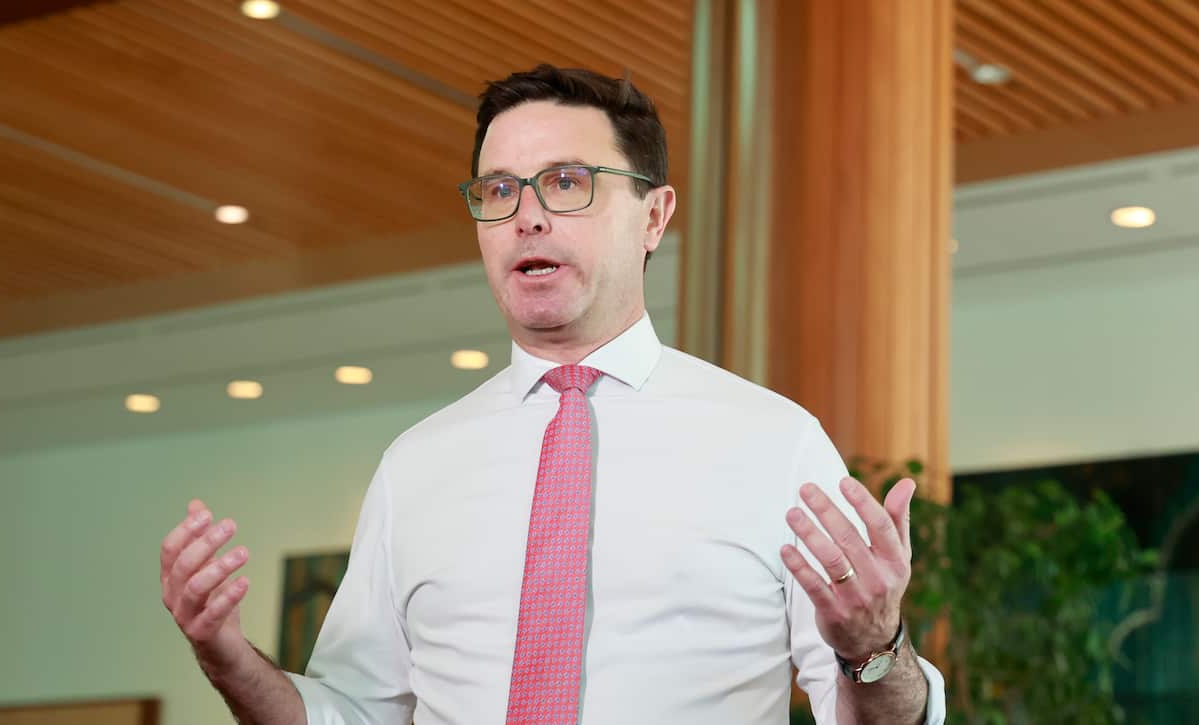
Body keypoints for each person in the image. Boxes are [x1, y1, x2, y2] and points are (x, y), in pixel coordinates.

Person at [160, 65, 947, 724]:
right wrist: (227, 658)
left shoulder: (775, 445)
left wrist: (874, 645)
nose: (526, 217)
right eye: (499, 191)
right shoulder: (418, 466)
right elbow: (352, 713)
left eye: (567, 183)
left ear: (654, 215)